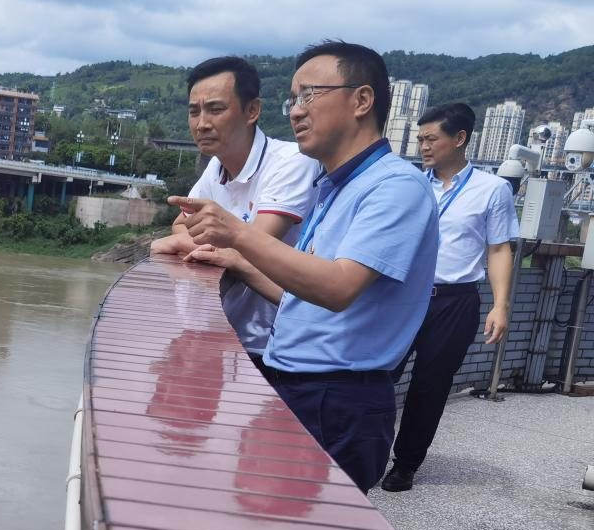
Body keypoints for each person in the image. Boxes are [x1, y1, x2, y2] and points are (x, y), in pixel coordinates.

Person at [169, 41, 438, 492]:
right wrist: (239, 262)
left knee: (285, 520)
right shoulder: (336, 186)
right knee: (260, 513)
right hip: (299, 385)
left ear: (362, 100)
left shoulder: (395, 186)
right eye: (292, 99)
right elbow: (304, 297)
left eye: (309, 95)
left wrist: (238, 235)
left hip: (337, 398)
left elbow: (337, 288)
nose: (296, 111)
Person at [379, 103, 519, 491]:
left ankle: (406, 464)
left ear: (459, 138)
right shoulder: (410, 184)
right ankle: (366, 450)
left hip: (454, 301)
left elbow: (498, 249)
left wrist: (501, 305)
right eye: (420, 139)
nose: (423, 146)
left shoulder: (492, 189)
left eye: (431, 139)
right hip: (400, 297)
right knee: (378, 375)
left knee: (430, 385)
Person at [150, 57, 319, 371]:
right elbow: (180, 223)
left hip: (270, 349)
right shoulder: (217, 166)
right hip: (218, 339)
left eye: (215, 109)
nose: (202, 123)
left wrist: (189, 243)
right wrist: (202, 243)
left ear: (252, 110)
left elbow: (253, 245)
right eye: (194, 111)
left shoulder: (291, 162)